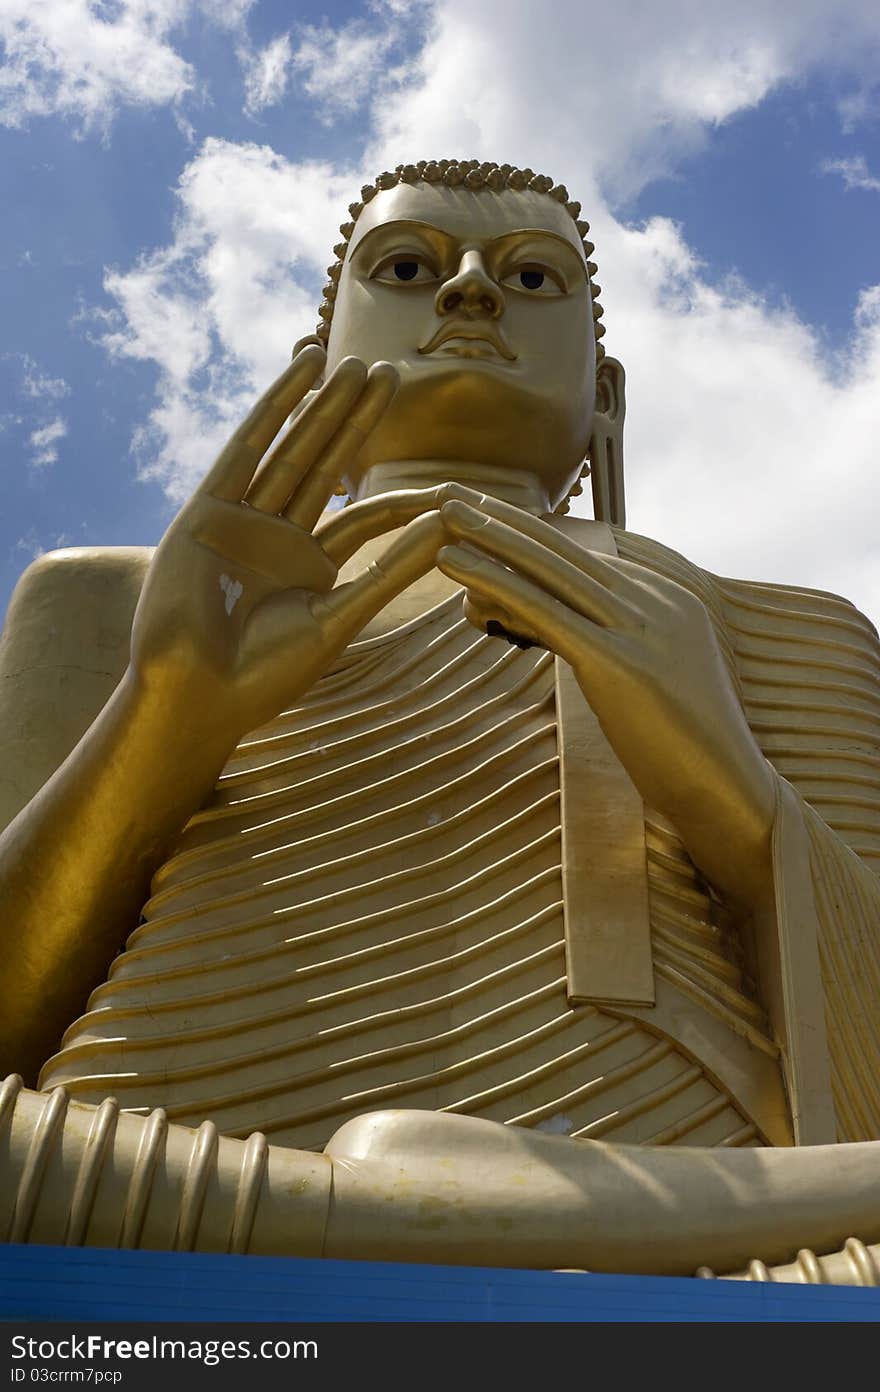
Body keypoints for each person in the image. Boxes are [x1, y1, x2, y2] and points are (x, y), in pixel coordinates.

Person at [0, 159, 878, 1284]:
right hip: (142, 1161)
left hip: (712, 1199)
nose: (469, 292)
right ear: (316, 371)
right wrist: (164, 715)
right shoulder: (120, 602)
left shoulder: (782, 632)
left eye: (530, 276)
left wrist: (731, 791)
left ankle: (397, 1214)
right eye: (408, 267)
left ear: (604, 398)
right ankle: (437, 1213)